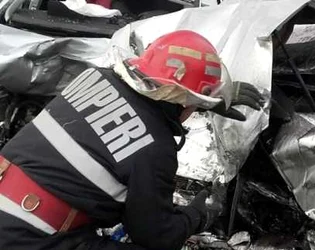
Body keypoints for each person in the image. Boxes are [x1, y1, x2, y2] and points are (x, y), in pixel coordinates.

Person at [0, 30, 263, 250]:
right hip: (28, 238)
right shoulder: (155, 149)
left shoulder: (94, 77)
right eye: (195, 104)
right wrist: (197, 215)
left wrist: (203, 99)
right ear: (187, 101)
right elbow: (156, 237)